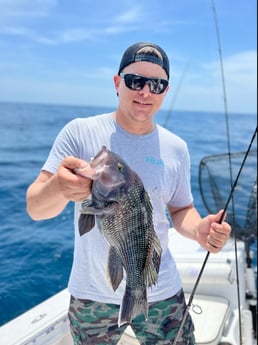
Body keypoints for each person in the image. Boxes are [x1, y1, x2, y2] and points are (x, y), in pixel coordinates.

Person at [26, 42, 231, 345]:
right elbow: (36, 208)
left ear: (165, 91)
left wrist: (199, 230)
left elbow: (180, 209)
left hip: (160, 290)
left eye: (157, 84)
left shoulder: (177, 148)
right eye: (135, 81)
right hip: (92, 296)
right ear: (117, 83)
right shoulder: (80, 132)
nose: (145, 92)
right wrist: (58, 186)